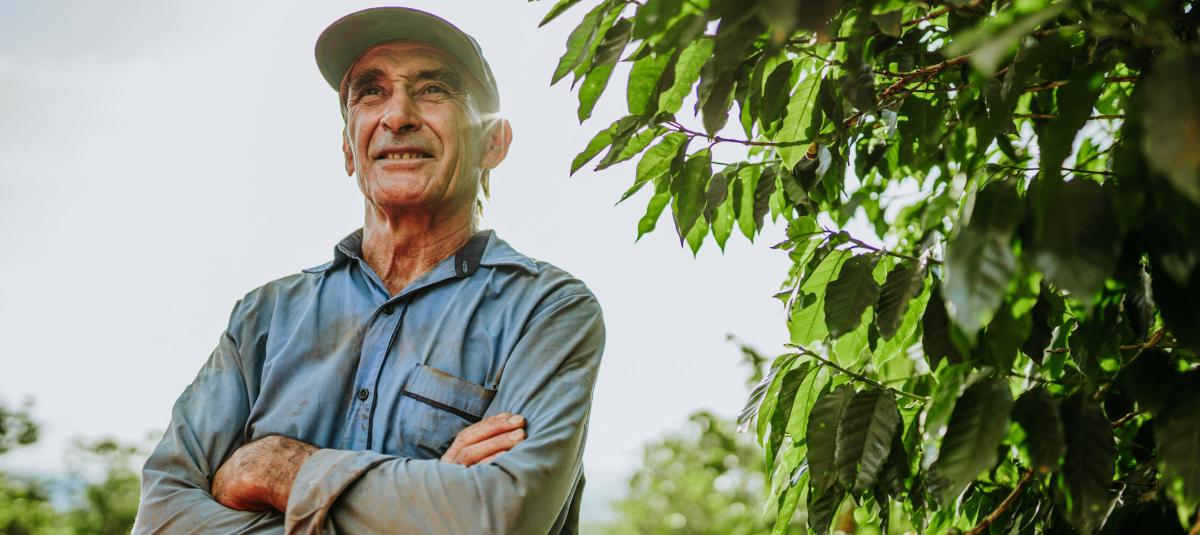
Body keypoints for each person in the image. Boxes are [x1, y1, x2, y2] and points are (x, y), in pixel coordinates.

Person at [133, 7, 606, 534]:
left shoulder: (547, 310)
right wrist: (429, 499)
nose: (398, 115)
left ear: (492, 142)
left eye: (433, 89)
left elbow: (497, 517)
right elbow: (160, 518)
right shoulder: (263, 318)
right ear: (348, 148)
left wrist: (278, 470)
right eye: (371, 93)